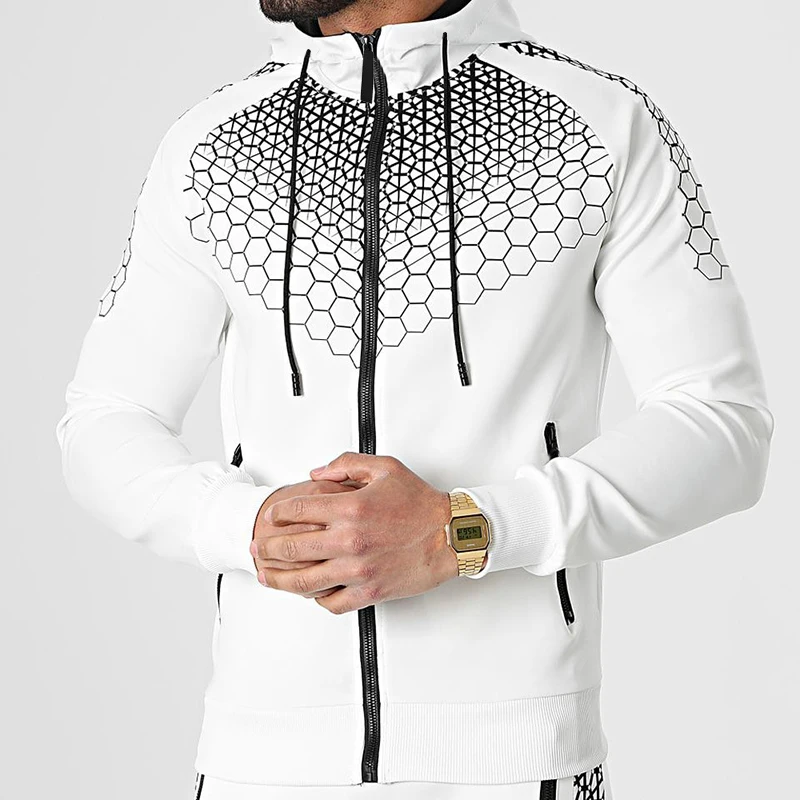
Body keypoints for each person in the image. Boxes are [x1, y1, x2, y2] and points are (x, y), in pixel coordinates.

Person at [56, 0, 773, 797]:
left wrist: (466, 529)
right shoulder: (211, 144)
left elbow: (723, 424)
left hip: (517, 760)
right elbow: (105, 418)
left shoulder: (600, 123)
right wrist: (242, 524)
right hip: (258, 761)